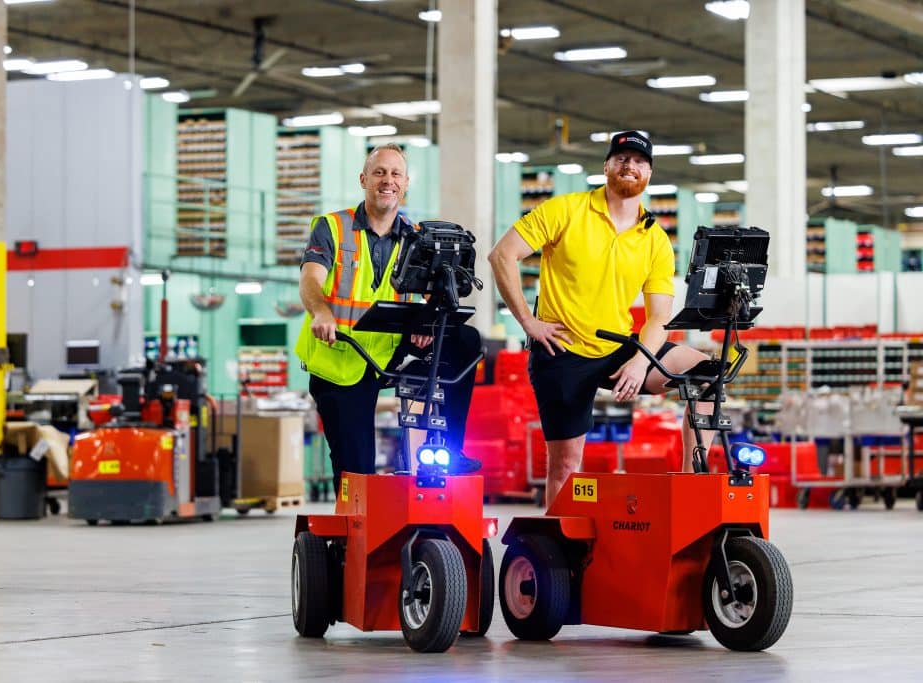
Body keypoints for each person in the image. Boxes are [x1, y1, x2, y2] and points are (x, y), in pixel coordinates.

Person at [488, 130, 711, 505]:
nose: (630, 166)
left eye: (639, 162)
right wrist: (528, 321)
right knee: (566, 465)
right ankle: (556, 554)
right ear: (607, 166)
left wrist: (640, 363)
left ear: (649, 174)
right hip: (561, 350)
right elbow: (502, 255)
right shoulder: (566, 209)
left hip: (618, 348)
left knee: (707, 374)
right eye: (622, 159)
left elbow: (659, 317)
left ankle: (692, 485)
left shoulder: (654, 238)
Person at [296, 143, 482, 495]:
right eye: (379, 173)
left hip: (390, 354)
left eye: (396, 174)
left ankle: (451, 449)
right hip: (341, 358)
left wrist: (427, 325)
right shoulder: (332, 227)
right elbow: (310, 279)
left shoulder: (417, 236)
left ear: (406, 183)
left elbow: (430, 293)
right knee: (357, 471)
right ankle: (349, 540)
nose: (388, 181)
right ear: (364, 179)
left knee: (465, 340)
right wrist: (321, 311)